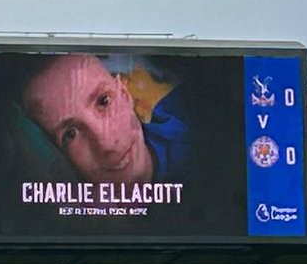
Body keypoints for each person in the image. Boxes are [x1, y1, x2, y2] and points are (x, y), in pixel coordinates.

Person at [19, 54, 190, 186]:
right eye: (71, 134)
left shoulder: (195, 137)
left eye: (104, 101)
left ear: (124, 94)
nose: (105, 143)